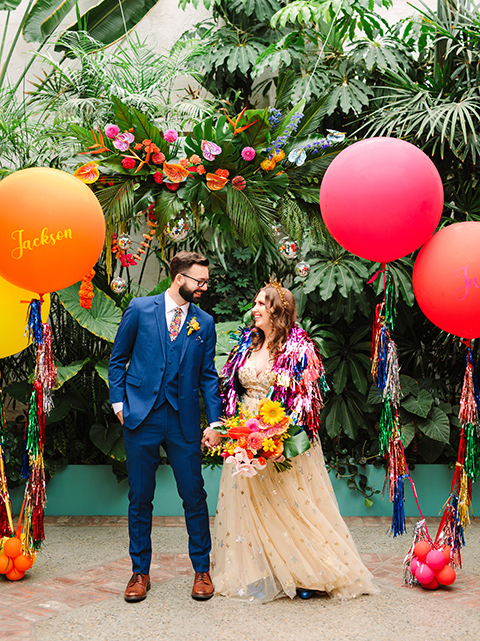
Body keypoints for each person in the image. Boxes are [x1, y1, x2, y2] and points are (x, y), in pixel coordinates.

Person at [212, 279, 378, 603]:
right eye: (256, 302)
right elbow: (231, 388)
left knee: (291, 504)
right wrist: (234, 429)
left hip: (282, 437)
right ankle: (267, 571)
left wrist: (277, 435)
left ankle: (311, 572)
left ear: (277, 310)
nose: (254, 309)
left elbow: (305, 400)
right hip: (246, 435)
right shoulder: (247, 343)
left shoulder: (299, 349)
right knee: (253, 504)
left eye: (261, 303)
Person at [109, 251, 223, 603]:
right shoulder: (140, 309)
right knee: (140, 498)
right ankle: (139, 573)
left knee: (194, 496)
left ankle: (201, 570)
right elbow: (118, 359)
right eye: (199, 281)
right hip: (140, 416)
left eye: (206, 281)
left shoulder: (204, 322)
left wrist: (215, 420)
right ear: (179, 279)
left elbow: (208, 376)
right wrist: (119, 405)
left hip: (183, 419)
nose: (203, 287)